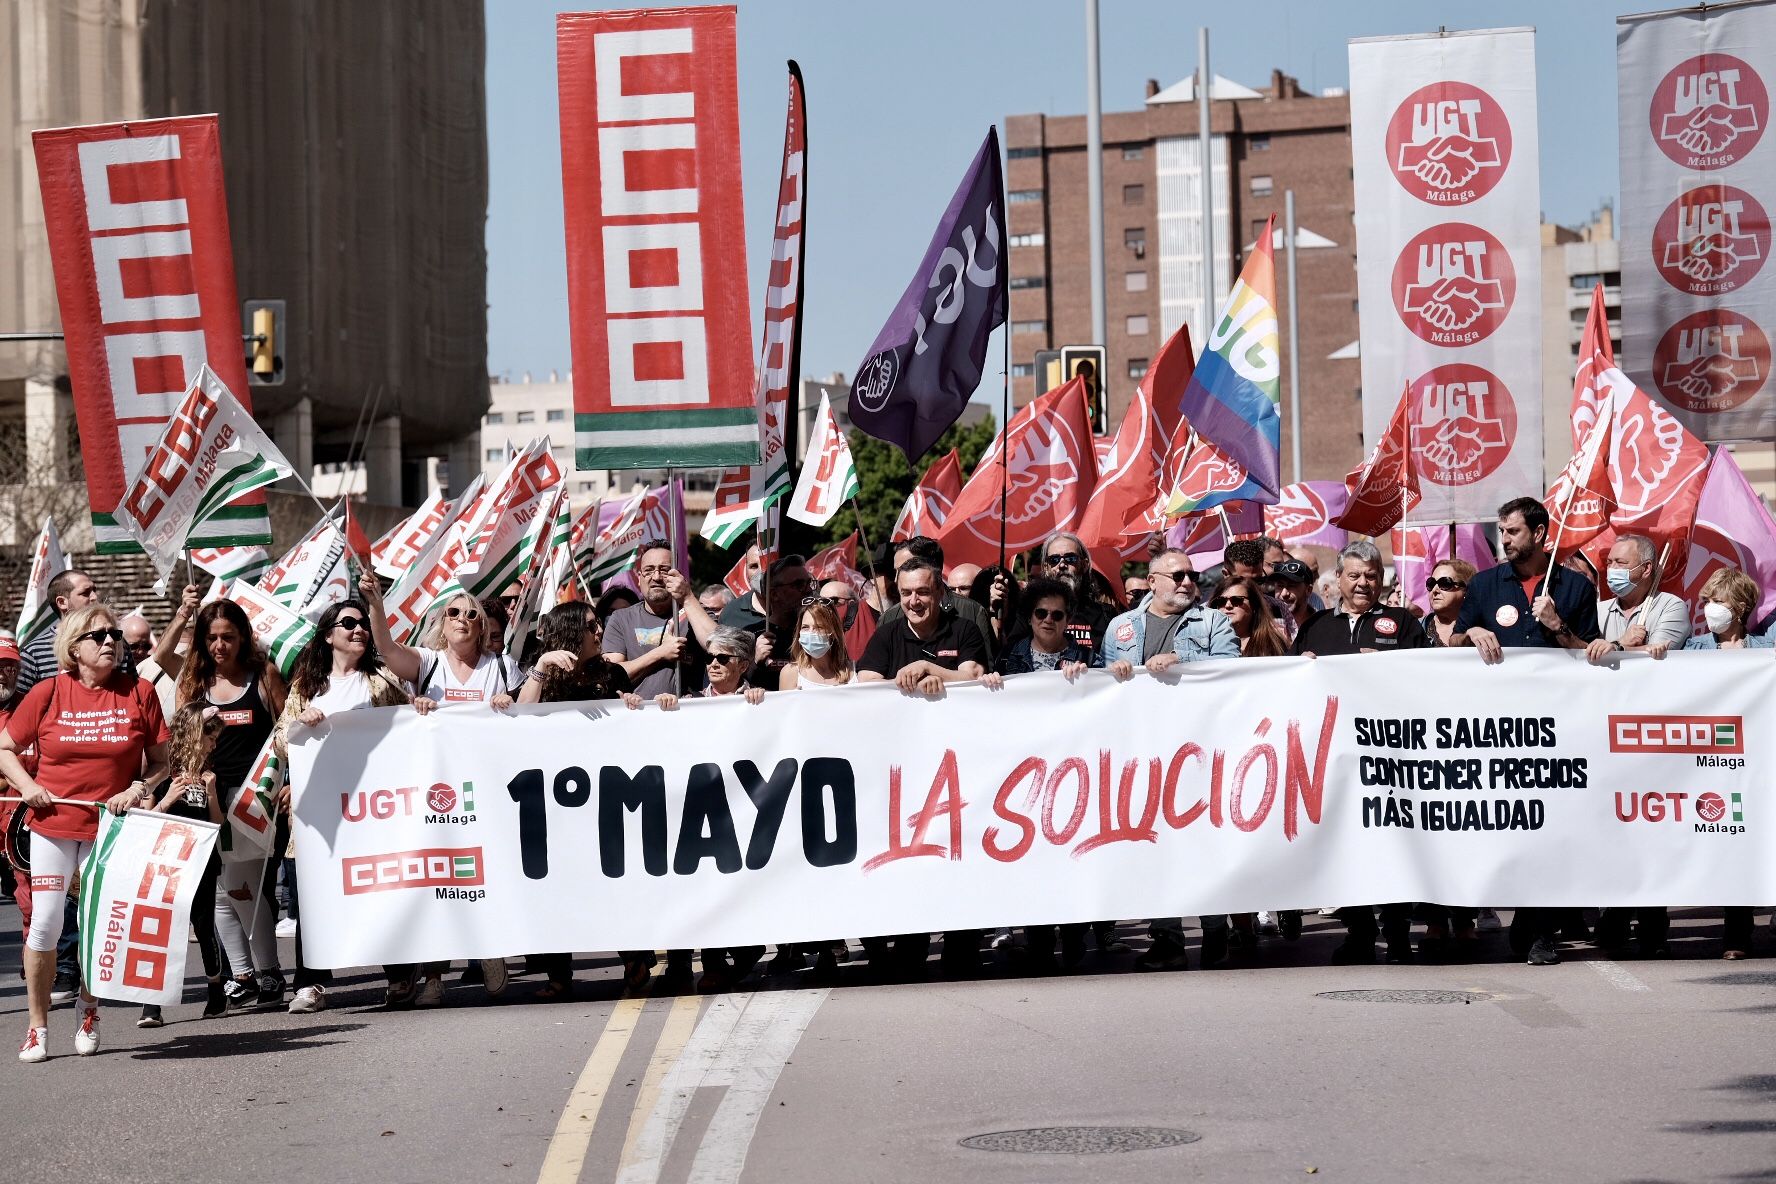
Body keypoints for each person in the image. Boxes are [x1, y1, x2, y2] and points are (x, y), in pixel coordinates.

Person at [0, 603, 170, 1063]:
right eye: (100, 636)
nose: (111, 642)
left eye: (115, 634)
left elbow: (161, 763)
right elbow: (5, 749)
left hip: (110, 829)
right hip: (53, 825)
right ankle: (37, 1028)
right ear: (74, 647)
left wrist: (138, 788)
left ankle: (89, 1008)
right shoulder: (49, 691)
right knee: (46, 924)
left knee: (95, 925)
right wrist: (29, 786)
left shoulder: (140, 691)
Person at [1455, 497, 1600, 967]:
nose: (1505, 540)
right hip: (1494, 729)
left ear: (1539, 534)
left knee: (1551, 827)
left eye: (1513, 531)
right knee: (1512, 827)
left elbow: (1589, 653)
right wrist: (1473, 634)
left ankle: (1541, 930)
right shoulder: (1483, 584)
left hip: (1556, 729)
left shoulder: (1575, 587)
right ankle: (1525, 917)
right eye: (1502, 531)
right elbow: (1452, 641)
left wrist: (1559, 628)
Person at [359, 579, 518, 999]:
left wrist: (510, 705)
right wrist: (376, 604)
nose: (462, 618)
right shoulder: (427, 663)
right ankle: (433, 976)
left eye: (471, 614)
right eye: (453, 612)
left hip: (488, 788)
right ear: (441, 624)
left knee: (487, 874)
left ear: (482, 626)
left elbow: (528, 718)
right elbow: (387, 649)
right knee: (439, 879)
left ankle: (490, 949)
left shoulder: (502, 667)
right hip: (437, 791)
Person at [1100, 548, 1238, 970]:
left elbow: (1231, 668)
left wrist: (1183, 660)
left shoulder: (1212, 621)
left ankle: (1216, 931)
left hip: (1201, 749)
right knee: (1155, 844)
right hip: (1145, 752)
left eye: (1191, 575)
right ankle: (1166, 938)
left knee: (1204, 842)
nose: (1186, 582)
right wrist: (1116, 674)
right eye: (1176, 574)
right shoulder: (1122, 627)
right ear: (1154, 579)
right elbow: (1104, 687)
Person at [1293, 540, 1429, 964]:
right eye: (1354, 575)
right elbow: (1291, 685)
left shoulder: (1403, 622)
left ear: (1382, 579)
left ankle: (1398, 932)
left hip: (1390, 757)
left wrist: (1391, 667)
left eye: (1371, 575)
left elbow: (1428, 678)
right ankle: (1358, 930)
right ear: (1338, 579)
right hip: (1334, 759)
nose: (1363, 583)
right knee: (1343, 846)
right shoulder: (1316, 626)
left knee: (1394, 846)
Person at [281, 598, 419, 1013]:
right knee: (314, 897)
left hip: (371, 812)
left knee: (378, 890)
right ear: (329, 635)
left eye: (362, 623)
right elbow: (279, 742)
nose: (358, 629)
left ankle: (398, 975)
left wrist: (421, 708)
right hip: (322, 815)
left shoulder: (381, 681)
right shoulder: (307, 687)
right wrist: (300, 722)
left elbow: (411, 730)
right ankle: (310, 983)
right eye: (348, 623)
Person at [857, 557, 989, 978]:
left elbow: (973, 674)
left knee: (960, 855)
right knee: (912, 860)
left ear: (940, 594)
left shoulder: (964, 630)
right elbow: (865, 684)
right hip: (906, 771)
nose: (915, 601)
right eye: (907, 592)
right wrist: (908, 681)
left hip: (960, 768)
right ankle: (911, 949)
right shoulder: (887, 633)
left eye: (924, 592)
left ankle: (962, 950)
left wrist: (932, 670)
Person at [516, 602, 649, 996]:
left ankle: (635, 958)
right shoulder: (542, 673)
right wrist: (542, 667)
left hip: (605, 795)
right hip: (553, 800)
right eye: (591, 625)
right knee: (556, 884)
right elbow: (521, 714)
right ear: (571, 631)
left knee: (615, 878)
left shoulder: (611, 673)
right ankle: (558, 975)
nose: (599, 631)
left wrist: (633, 709)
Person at [165, 600, 291, 1010]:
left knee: (247, 889)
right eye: (212, 637)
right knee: (217, 894)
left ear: (244, 638)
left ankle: (269, 972)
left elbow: (288, 731)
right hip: (206, 799)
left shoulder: (264, 675)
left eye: (228, 637)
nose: (220, 645)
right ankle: (244, 975)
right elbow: (182, 736)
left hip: (253, 800)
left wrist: (289, 784)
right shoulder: (195, 680)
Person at [1647, 567, 1771, 958]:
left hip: (1750, 766)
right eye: (1707, 601)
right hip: (1698, 767)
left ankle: (1737, 934)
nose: (1710, 608)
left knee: (1742, 848)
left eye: (1717, 601)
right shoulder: (1693, 650)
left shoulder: (1765, 652)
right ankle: (1653, 931)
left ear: (1739, 606)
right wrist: (1658, 656)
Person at [138, 705, 232, 1027]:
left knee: (205, 928)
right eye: (210, 737)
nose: (213, 745)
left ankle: (216, 994)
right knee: (163, 929)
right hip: (168, 863)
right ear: (193, 733)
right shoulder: (164, 769)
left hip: (202, 861)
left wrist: (212, 793)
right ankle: (152, 1004)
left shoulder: (209, 772)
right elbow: (145, 820)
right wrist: (167, 799)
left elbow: (217, 824)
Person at [603, 542, 718, 699]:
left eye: (664, 570)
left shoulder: (695, 611)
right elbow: (612, 675)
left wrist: (688, 597)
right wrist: (660, 653)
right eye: (648, 570)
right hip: (638, 715)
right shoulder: (620, 619)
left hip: (688, 714)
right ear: (639, 578)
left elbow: (719, 646)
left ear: (678, 576)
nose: (656, 577)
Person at [876, 537, 997, 660]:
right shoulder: (888, 618)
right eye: (895, 571)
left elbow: (985, 671)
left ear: (932, 568)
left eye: (905, 568)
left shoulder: (972, 611)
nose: (896, 579)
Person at [1586, 534, 1689, 663]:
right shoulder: (1598, 609)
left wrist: (1617, 648)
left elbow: (1656, 655)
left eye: (1620, 563)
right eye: (1609, 562)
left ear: (1646, 569)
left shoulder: (1671, 606)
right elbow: (1583, 653)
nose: (1612, 569)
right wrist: (1622, 642)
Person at [16, 569, 101, 696]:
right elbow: (20, 708)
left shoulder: (114, 642)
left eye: (94, 590)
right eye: (85, 593)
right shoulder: (34, 652)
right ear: (62, 602)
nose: (95, 597)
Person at [992, 578, 1102, 677]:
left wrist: (1086, 678)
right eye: (1041, 613)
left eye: (1057, 615)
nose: (1048, 620)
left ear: (1067, 621)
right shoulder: (1007, 656)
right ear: (1030, 618)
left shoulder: (1089, 659)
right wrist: (989, 683)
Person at [781, 598, 858, 689]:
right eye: (805, 627)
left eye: (819, 627)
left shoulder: (855, 671)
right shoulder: (790, 673)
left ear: (833, 633)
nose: (811, 633)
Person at [1211, 577, 1290, 658]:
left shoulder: (1273, 643)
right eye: (1221, 601)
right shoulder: (1207, 643)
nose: (1228, 605)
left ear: (1254, 605)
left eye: (1236, 600)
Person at [1420, 560, 1476, 647]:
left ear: (1465, 590)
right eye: (1431, 583)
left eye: (1444, 583)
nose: (1435, 590)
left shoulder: (1483, 626)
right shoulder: (1414, 628)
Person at [1259, 558, 1315, 640]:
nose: (1284, 594)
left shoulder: (1321, 626)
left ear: (1308, 590)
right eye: (1280, 586)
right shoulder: (1265, 627)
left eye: (1292, 585)